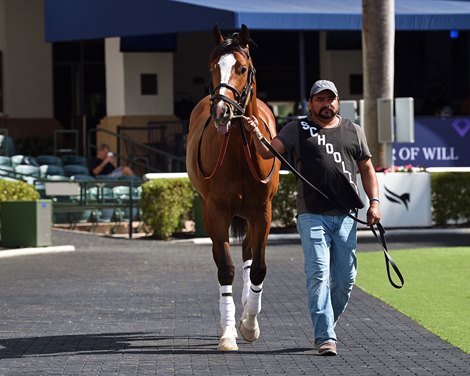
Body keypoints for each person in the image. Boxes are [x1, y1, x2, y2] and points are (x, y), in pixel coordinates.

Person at [242, 79, 380, 356]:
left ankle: (326, 322)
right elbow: (268, 151)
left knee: (345, 280)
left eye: (331, 99)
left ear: (337, 102)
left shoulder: (353, 130)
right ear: (311, 103)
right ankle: (325, 336)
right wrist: (255, 133)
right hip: (312, 215)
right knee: (318, 274)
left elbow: (367, 168)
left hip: (347, 215)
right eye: (320, 99)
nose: (326, 104)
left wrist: (374, 202)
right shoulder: (297, 129)